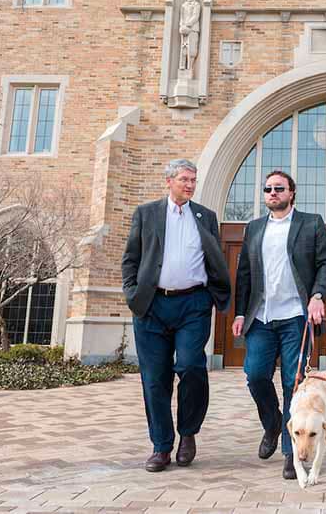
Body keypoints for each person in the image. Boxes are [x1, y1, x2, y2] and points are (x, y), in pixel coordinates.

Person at [122, 159, 230, 472]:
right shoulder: (146, 214)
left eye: (193, 180)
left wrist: (212, 294)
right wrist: (133, 293)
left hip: (193, 304)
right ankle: (161, 446)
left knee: (191, 365)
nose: (190, 185)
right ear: (169, 181)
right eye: (184, 179)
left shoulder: (205, 217)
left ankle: (188, 432)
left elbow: (215, 258)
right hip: (152, 306)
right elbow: (131, 258)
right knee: (155, 379)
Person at [232, 170, 326, 480]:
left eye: (279, 188)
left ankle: (292, 456)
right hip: (261, 318)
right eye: (268, 189)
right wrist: (240, 313)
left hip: (295, 317)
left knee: (293, 382)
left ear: (292, 193)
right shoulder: (254, 228)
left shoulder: (310, 223)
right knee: (256, 375)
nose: (272, 192)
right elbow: (245, 275)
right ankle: (274, 424)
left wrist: (318, 295)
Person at [179, 0, 201, 71]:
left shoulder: (196, 4)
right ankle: (183, 65)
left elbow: (195, 16)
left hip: (193, 29)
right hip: (184, 28)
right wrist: (181, 25)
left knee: (192, 48)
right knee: (184, 47)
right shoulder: (183, 5)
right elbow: (181, 17)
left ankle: (190, 66)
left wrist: (187, 24)